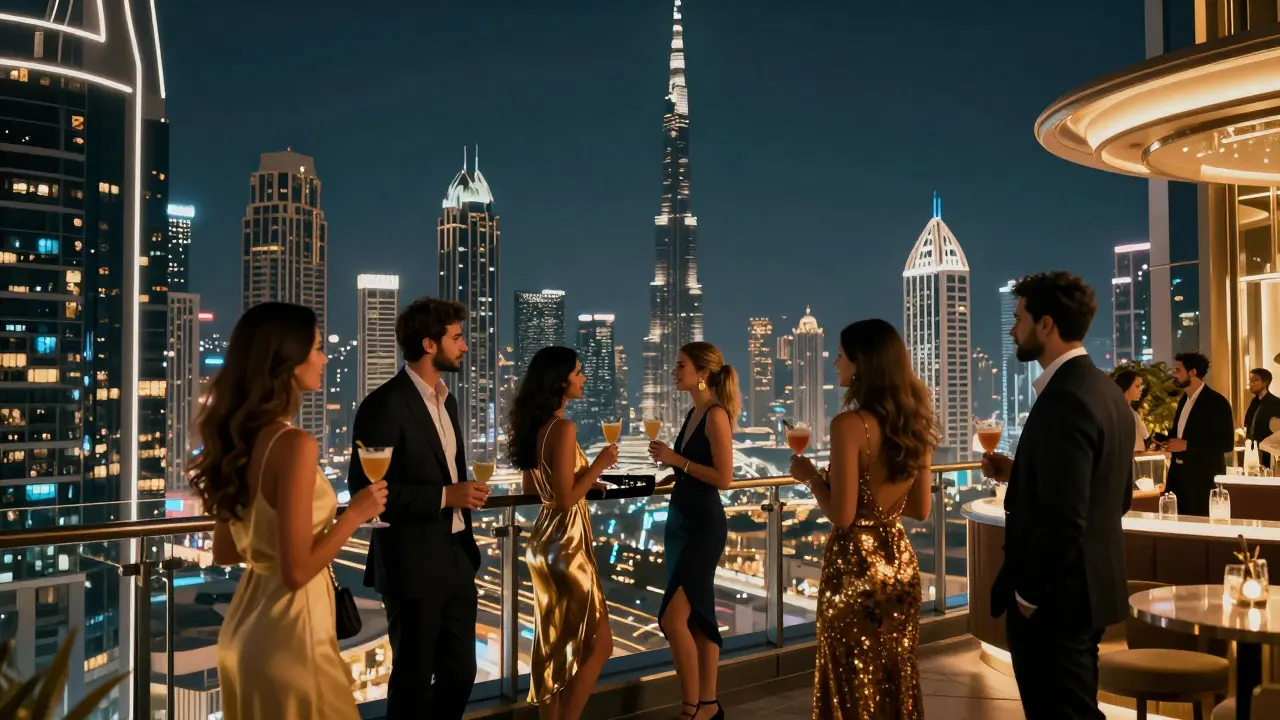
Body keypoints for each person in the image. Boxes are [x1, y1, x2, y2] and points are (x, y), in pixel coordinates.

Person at [195, 302, 388, 720]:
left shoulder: (239, 442)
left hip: (245, 633)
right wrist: (354, 514)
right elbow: (298, 571)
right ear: (287, 360)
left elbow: (226, 552)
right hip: (293, 638)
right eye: (317, 348)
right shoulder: (294, 445)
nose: (324, 358)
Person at [981, 272, 1134, 719]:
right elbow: (1114, 493)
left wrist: (1029, 596)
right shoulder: (1106, 390)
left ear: (1045, 325)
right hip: (1090, 590)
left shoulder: (1064, 397)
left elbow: (1066, 518)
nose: (1012, 329)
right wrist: (1021, 471)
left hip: (1057, 601)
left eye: (1019, 318)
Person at [347, 297, 489, 720]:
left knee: (461, 674)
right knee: (411, 680)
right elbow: (366, 490)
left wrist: (462, 497)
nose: (464, 346)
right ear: (430, 344)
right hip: (411, 564)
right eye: (457, 337)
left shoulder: (448, 401)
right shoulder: (385, 405)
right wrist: (448, 496)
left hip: (456, 559)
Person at [789, 319, 934, 719]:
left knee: (851, 681)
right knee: (896, 674)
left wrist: (812, 478)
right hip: (901, 566)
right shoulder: (917, 423)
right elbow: (921, 509)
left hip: (855, 571)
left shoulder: (849, 426)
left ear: (861, 363)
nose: (835, 362)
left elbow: (842, 515)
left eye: (841, 354)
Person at [508, 346, 617, 720]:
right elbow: (567, 497)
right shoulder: (565, 428)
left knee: (553, 647)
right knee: (600, 645)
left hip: (542, 542)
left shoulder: (536, 428)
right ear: (560, 381)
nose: (583, 377)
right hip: (567, 544)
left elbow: (533, 489)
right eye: (578, 371)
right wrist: (599, 465)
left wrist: (587, 482)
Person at [648, 342, 737, 720]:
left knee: (672, 619)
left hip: (703, 526)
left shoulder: (715, 415)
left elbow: (725, 479)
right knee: (699, 617)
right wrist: (675, 471)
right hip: (682, 522)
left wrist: (676, 459)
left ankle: (691, 709)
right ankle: (709, 706)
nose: (674, 370)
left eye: (680, 365)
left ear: (702, 372)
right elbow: (693, 467)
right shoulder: (693, 412)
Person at [1162, 352, 1234, 516]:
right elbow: (1179, 434)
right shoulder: (1183, 400)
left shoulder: (1217, 402)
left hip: (1202, 481)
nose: (1174, 374)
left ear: (1192, 372)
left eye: (1178, 370)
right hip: (1178, 479)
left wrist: (1187, 445)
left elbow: (1226, 443)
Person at [1244, 368, 1280, 469]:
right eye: (1250, 380)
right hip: (1253, 452)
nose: (1251, 383)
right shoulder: (1254, 402)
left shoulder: (1276, 403)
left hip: (1269, 455)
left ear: (1265, 383)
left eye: (1255, 380)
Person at [1114, 370, 1152, 453]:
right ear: (1126, 388)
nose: (1141, 389)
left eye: (1141, 386)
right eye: (1137, 386)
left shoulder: (1132, 412)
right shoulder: (1122, 414)